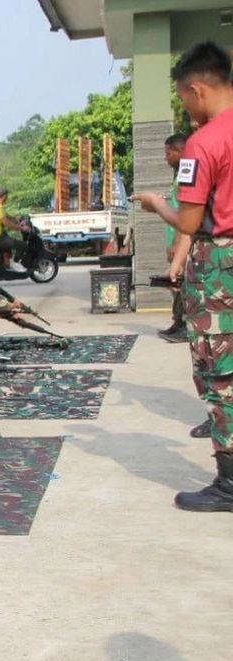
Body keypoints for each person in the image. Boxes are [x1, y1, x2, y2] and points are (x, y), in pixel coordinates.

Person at [133, 41, 233, 512]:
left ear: (197, 89)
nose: (186, 109)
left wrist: (158, 205)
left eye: (184, 99)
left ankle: (229, 482)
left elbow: (190, 221)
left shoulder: (205, 142)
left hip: (220, 267)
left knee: (220, 374)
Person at [160, 133, 191, 343]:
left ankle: (186, 325)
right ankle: (178, 321)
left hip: (184, 243)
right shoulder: (180, 176)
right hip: (177, 241)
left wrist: (178, 248)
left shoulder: (189, 174)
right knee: (176, 284)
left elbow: (186, 215)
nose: (166, 158)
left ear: (180, 152)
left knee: (180, 284)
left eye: (168, 153)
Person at [0, 189, 27, 272]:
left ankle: (7, 264)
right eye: (6, 196)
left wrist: (16, 219)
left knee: (7, 244)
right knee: (21, 245)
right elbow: (7, 223)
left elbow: (6, 216)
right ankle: (16, 263)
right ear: (4, 197)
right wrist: (20, 228)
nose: (7, 198)